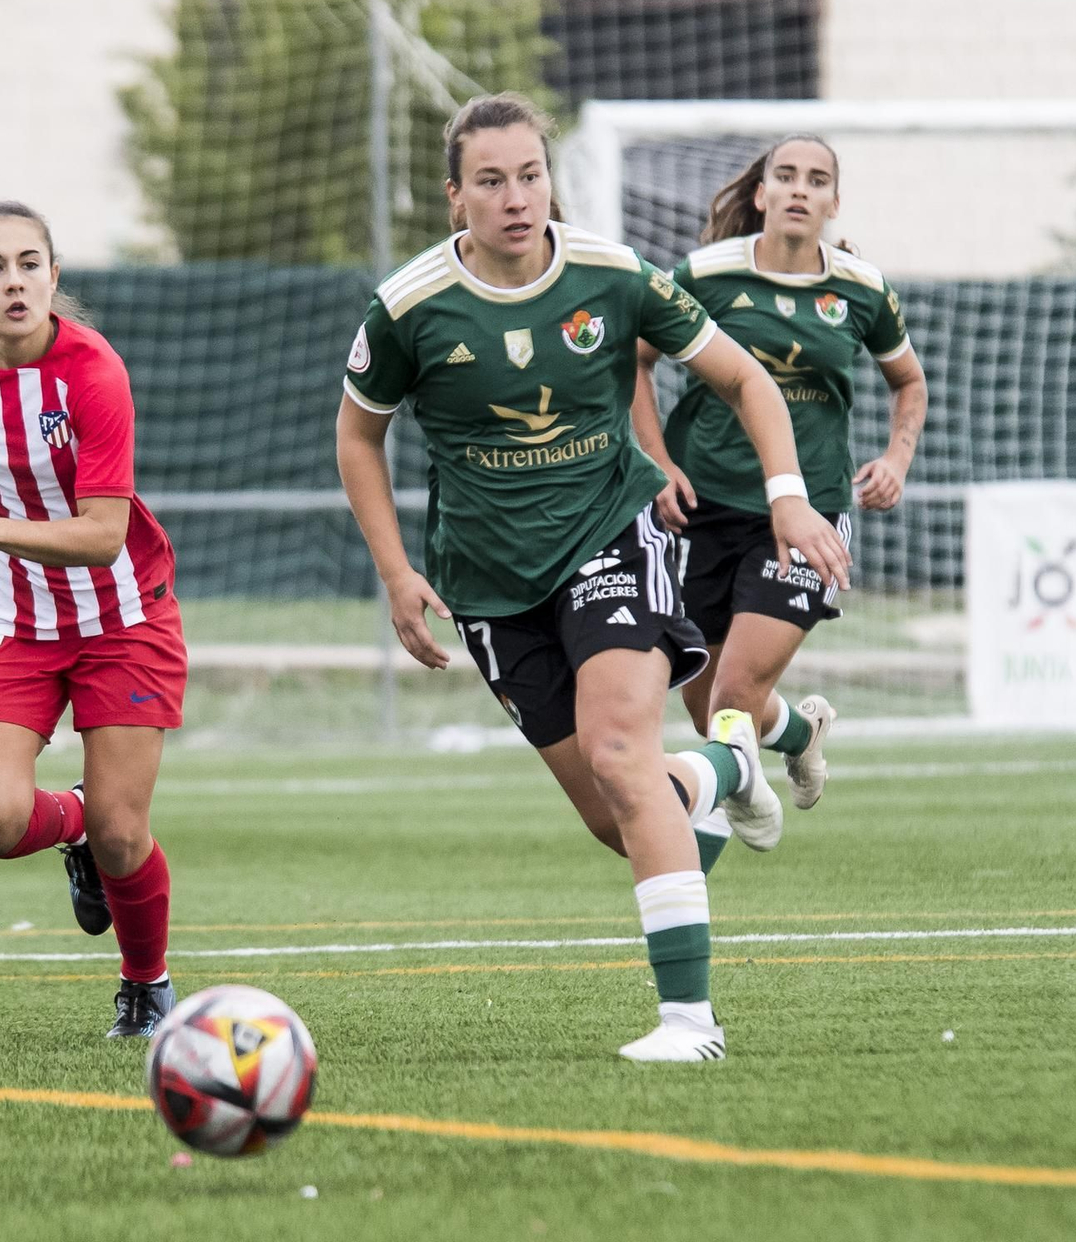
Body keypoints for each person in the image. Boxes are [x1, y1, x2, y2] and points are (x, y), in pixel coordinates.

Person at [336, 94, 852, 1063]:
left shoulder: (613, 276)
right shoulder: (408, 307)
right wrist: (396, 570)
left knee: (623, 758)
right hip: (488, 585)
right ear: (456, 198)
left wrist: (787, 496)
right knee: (624, 818)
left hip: (613, 541)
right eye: (489, 181)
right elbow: (357, 434)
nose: (514, 197)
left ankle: (689, 1026)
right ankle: (733, 764)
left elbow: (744, 378)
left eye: (529, 174)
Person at [0, 198, 188, 1039]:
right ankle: (78, 824)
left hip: (124, 617)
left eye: (30, 264)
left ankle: (146, 984)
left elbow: (102, 537)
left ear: (54, 276)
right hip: (12, 619)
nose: (14, 281)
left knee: (125, 833)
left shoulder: (94, 372)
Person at [633, 135, 928, 873]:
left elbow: (909, 383)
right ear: (760, 195)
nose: (800, 189)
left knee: (734, 691)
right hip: (699, 508)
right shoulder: (702, 274)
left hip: (810, 512)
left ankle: (721, 811)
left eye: (817, 179)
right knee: (711, 713)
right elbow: (632, 363)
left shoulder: (863, 290)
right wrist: (656, 462)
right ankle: (797, 733)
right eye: (785, 176)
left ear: (834, 203)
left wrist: (896, 457)